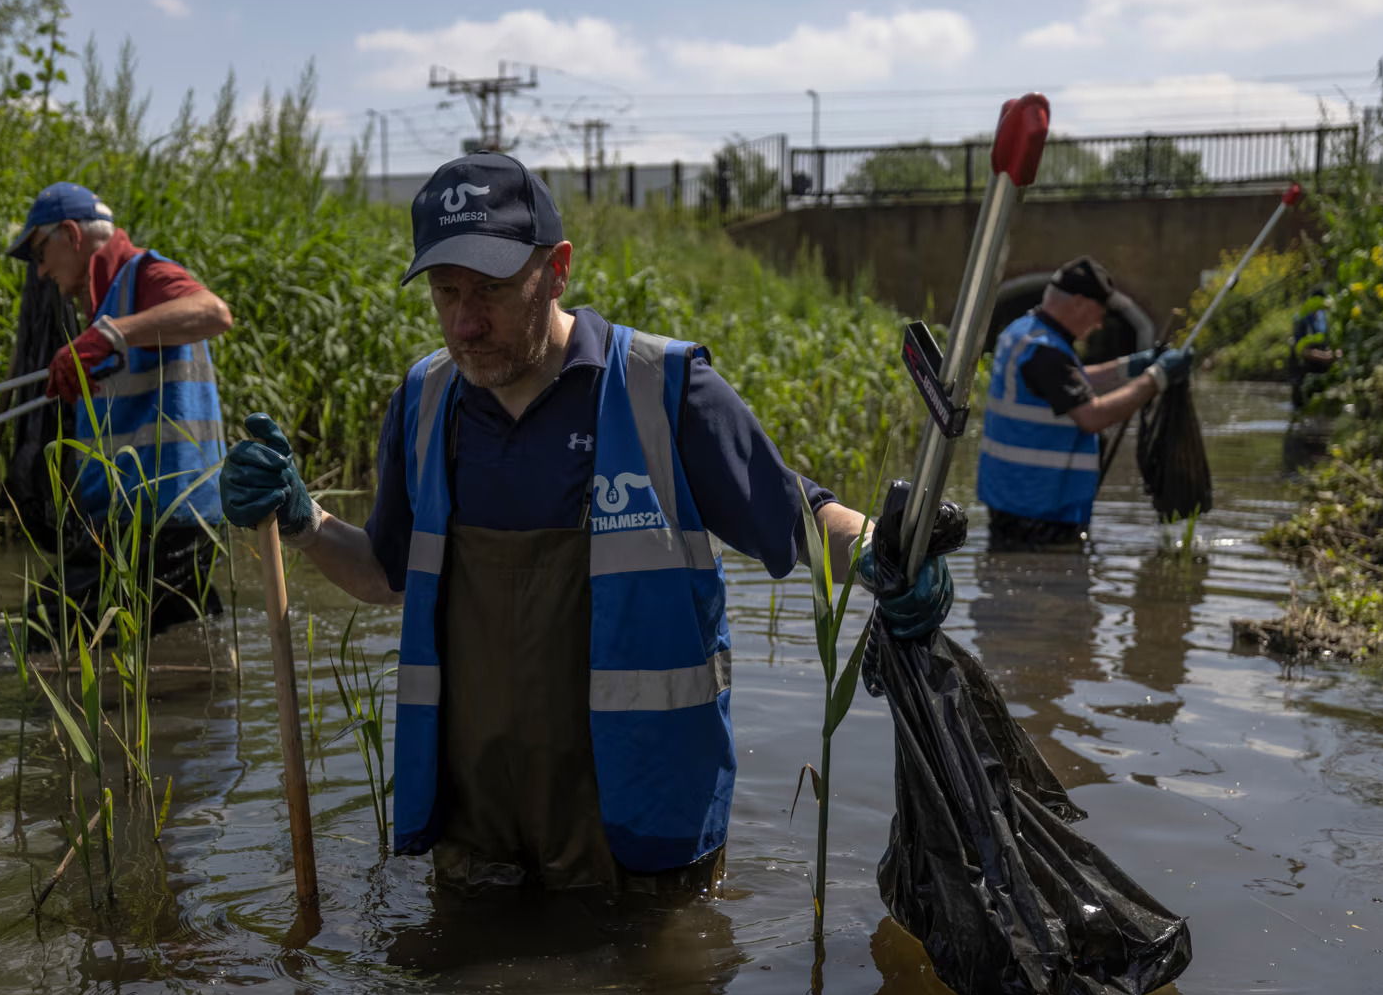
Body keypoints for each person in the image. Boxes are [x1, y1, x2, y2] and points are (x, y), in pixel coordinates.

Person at [220, 151, 951, 897]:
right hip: (480, 841)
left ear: (557, 268)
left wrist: (884, 554)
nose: (466, 323)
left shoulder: (662, 389)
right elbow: (384, 573)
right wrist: (303, 519)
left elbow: (799, 516)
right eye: (446, 293)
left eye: (493, 290)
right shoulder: (424, 400)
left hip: (640, 836)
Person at [6, 181, 235, 638]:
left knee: (46, 631)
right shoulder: (105, 299)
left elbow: (213, 313)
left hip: (168, 518)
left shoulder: (142, 274)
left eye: (39, 253)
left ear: (70, 234)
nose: (40, 272)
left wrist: (109, 334)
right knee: (166, 637)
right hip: (135, 521)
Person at [976, 256, 1193, 551]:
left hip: (1015, 499)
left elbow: (1067, 383)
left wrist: (1132, 367)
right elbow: (1092, 416)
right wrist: (1156, 378)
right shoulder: (1045, 351)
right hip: (1038, 511)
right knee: (1052, 588)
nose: (1100, 322)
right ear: (1078, 302)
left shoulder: (1023, 332)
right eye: (1099, 311)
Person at [1288, 291, 1338, 411]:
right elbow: (1301, 350)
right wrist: (1324, 356)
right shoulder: (1301, 318)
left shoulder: (1324, 316)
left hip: (1321, 373)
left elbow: (1330, 340)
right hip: (1304, 373)